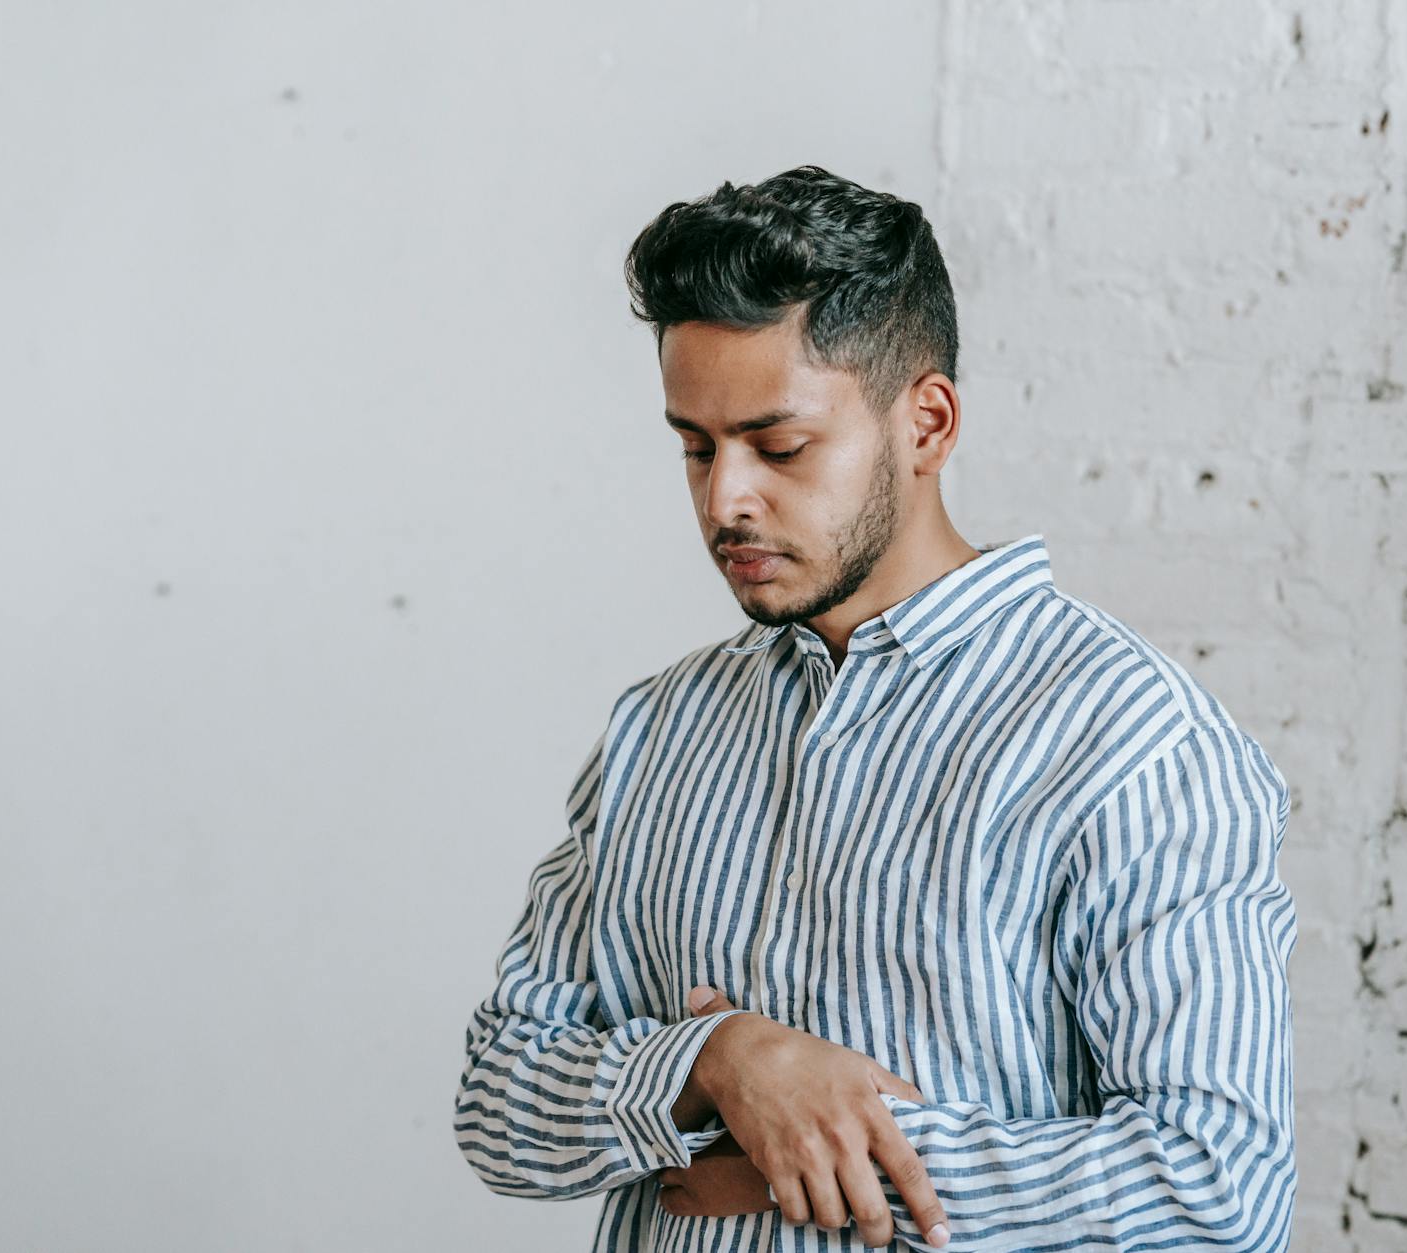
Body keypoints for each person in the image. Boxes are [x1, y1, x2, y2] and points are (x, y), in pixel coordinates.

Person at [452, 164, 1298, 1252]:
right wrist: (716, 1063)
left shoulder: (1130, 744)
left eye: (780, 445)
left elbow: (1218, 1189)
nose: (725, 499)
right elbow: (496, 1099)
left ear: (927, 423)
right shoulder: (655, 731)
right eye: (694, 446)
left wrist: (803, 1160)